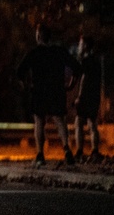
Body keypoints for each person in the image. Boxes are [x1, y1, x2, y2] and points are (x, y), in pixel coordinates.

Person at [17, 24, 82, 167]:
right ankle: (67, 149)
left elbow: (20, 72)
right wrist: (71, 84)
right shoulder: (59, 52)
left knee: (39, 122)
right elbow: (77, 68)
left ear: (38, 36)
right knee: (60, 121)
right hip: (57, 90)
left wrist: (27, 86)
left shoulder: (34, 53)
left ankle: (40, 154)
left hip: (39, 91)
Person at [73, 35, 103, 162]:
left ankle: (79, 150)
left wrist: (79, 96)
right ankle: (95, 150)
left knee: (79, 122)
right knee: (92, 123)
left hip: (86, 96)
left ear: (85, 46)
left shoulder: (85, 62)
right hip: (95, 96)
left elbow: (83, 80)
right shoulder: (96, 62)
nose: (79, 47)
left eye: (80, 44)